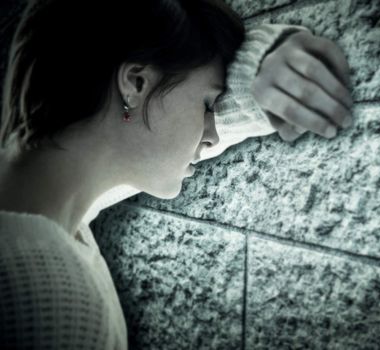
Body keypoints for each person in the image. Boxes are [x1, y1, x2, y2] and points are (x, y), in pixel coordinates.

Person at [0, 0, 353, 348]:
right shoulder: (52, 301)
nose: (213, 133)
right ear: (135, 84)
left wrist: (255, 74)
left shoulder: (46, 203)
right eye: (207, 105)